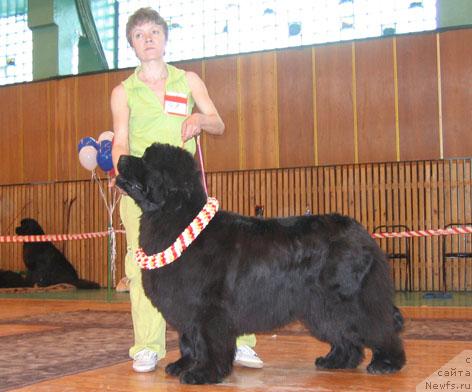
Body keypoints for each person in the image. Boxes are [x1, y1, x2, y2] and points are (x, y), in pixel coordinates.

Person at [111, 7, 263, 373]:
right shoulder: (123, 91)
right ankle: (148, 346)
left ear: (165, 38)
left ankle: (238, 341)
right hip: (146, 197)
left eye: (154, 32)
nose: (148, 39)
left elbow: (219, 123)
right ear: (132, 44)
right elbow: (120, 141)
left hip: (185, 196)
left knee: (217, 267)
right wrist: (126, 179)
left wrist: (200, 119)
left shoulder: (188, 80)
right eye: (139, 35)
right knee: (141, 267)